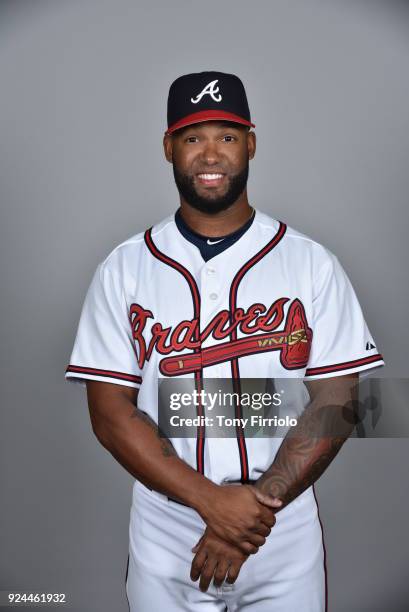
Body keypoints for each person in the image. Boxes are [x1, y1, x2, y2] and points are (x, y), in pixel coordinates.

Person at [65, 71, 384, 611]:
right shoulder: (124, 269)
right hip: (168, 526)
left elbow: (338, 401)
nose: (210, 154)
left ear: (251, 144)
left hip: (279, 528)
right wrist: (212, 504)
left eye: (227, 136)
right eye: (193, 138)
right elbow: (109, 414)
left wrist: (252, 512)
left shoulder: (310, 263)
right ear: (169, 148)